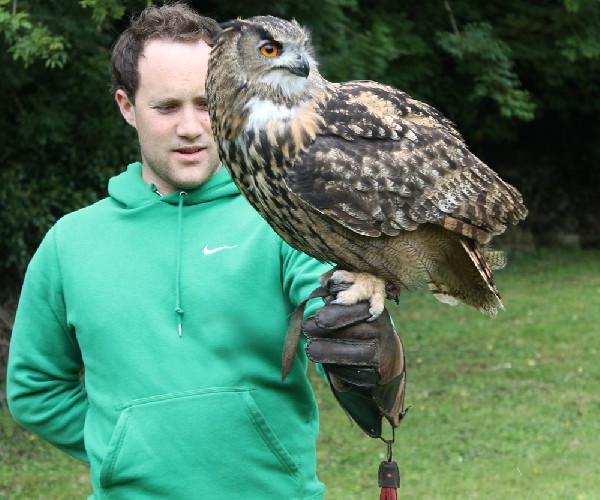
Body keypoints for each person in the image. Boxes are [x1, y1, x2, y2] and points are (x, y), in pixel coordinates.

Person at [6, 4, 405, 498]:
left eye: (206, 102)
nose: (192, 127)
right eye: (167, 107)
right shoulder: (71, 242)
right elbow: (36, 388)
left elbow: (342, 322)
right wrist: (127, 447)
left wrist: (370, 351)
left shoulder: (286, 217)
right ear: (127, 106)